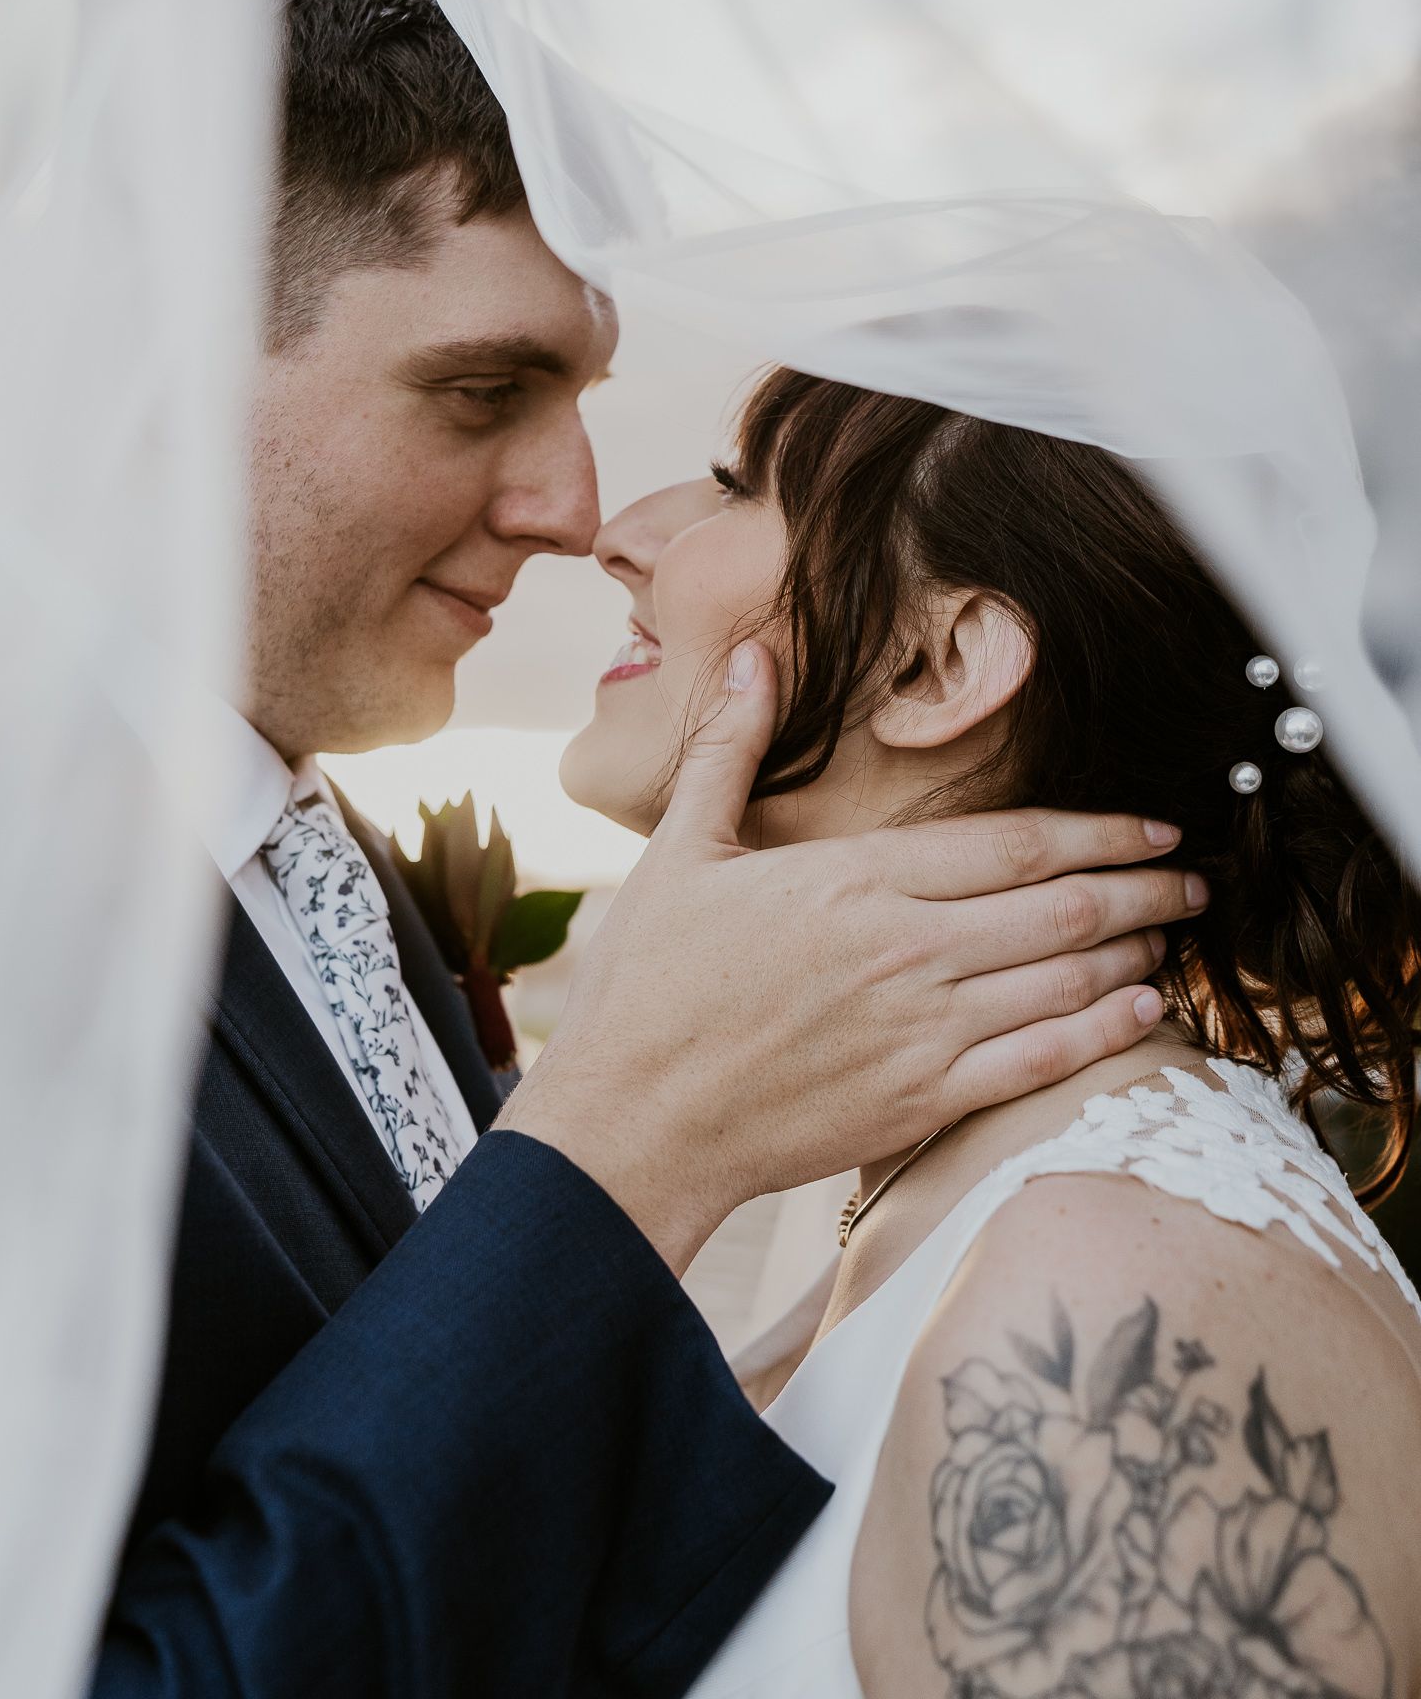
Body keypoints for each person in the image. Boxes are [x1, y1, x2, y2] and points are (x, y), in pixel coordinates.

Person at [89, 0, 1201, 1698]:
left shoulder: (330, 870)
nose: (576, 508)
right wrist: (630, 1144)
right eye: (479, 392)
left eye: (587, 399)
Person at [559, 369, 1421, 1698]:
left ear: (938, 662)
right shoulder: (956, 1202)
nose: (622, 529)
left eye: (739, 485)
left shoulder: (1121, 1306)